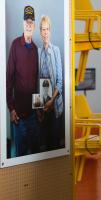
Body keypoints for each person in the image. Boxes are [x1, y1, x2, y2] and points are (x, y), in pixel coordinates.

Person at [6, 5, 40, 157]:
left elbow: (37, 82)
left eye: (31, 22)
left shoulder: (35, 49)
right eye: (26, 21)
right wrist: (11, 109)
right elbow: (8, 80)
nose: (29, 24)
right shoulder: (15, 45)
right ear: (23, 23)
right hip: (18, 116)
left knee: (34, 156)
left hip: (33, 116)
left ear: (34, 25)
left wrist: (38, 109)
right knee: (20, 156)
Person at [38, 15, 64, 151]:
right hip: (44, 107)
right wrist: (40, 107)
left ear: (50, 31)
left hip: (55, 106)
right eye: (43, 29)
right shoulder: (38, 53)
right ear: (40, 32)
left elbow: (60, 81)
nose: (45, 32)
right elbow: (38, 82)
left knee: (54, 145)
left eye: (47, 29)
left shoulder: (56, 51)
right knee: (45, 146)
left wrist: (51, 100)